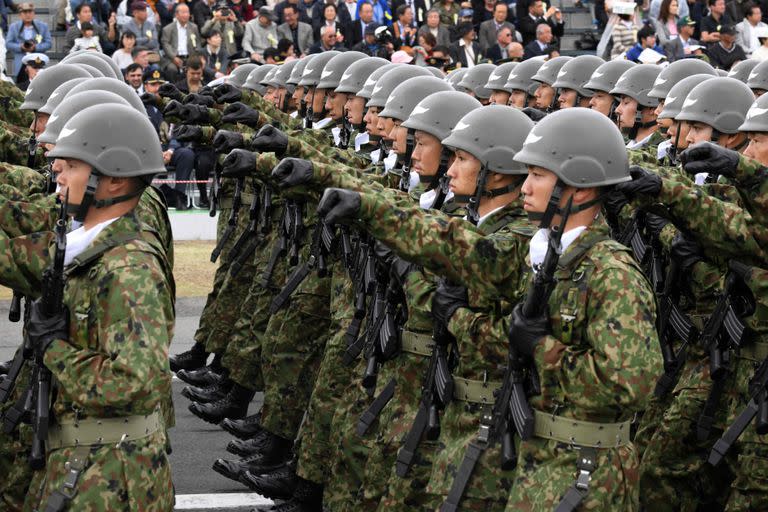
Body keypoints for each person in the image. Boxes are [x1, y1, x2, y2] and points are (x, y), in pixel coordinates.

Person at [22, 103, 175, 512]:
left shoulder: (129, 268)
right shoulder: (92, 250)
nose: (57, 171)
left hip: (109, 475)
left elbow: (132, 383)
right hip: (86, 460)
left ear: (112, 179)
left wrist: (53, 350)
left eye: (71, 164)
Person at [5, 2, 52, 76]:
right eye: (24, 12)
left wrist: (35, 47)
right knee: (20, 84)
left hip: (38, 61)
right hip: (20, 62)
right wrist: (21, 47)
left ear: (34, 13)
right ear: (20, 15)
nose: (28, 15)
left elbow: (48, 43)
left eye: (30, 12)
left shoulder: (43, 26)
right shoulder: (14, 27)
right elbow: (8, 44)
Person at [160, 3, 202, 80]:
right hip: (173, 58)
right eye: (183, 12)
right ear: (176, 14)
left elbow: (198, 43)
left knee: (198, 67)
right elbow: (165, 44)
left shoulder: (194, 27)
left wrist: (196, 56)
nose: (186, 15)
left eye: (187, 12)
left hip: (190, 57)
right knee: (171, 69)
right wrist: (173, 57)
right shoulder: (168, 29)